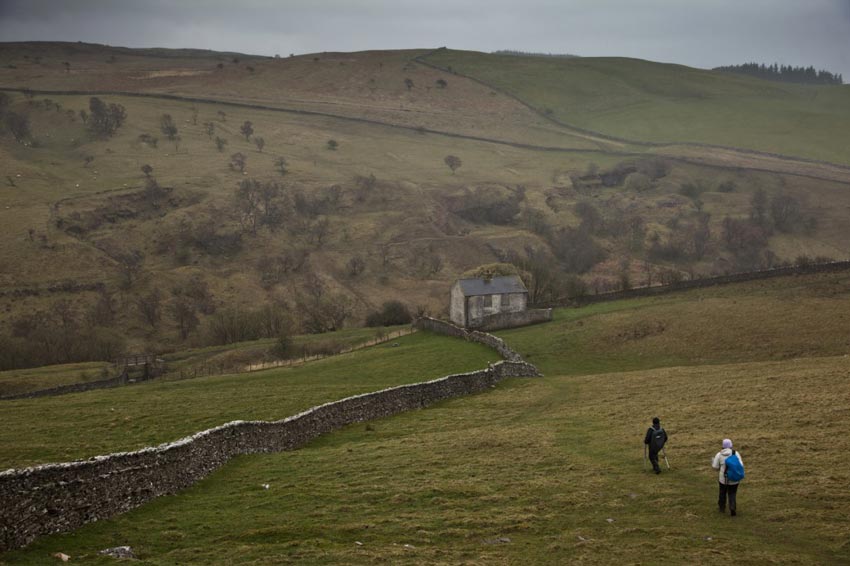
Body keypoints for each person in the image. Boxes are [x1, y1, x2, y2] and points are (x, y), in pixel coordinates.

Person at [712, 438, 744, 516]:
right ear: (731, 445)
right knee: (732, 493)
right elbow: (741, 465)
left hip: (723, 478)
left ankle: (722, 508)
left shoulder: (719, 454)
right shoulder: (735, 453)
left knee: (722, 492)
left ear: (722, 446)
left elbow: (715, 467)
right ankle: (732, 507)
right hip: (734, 478)